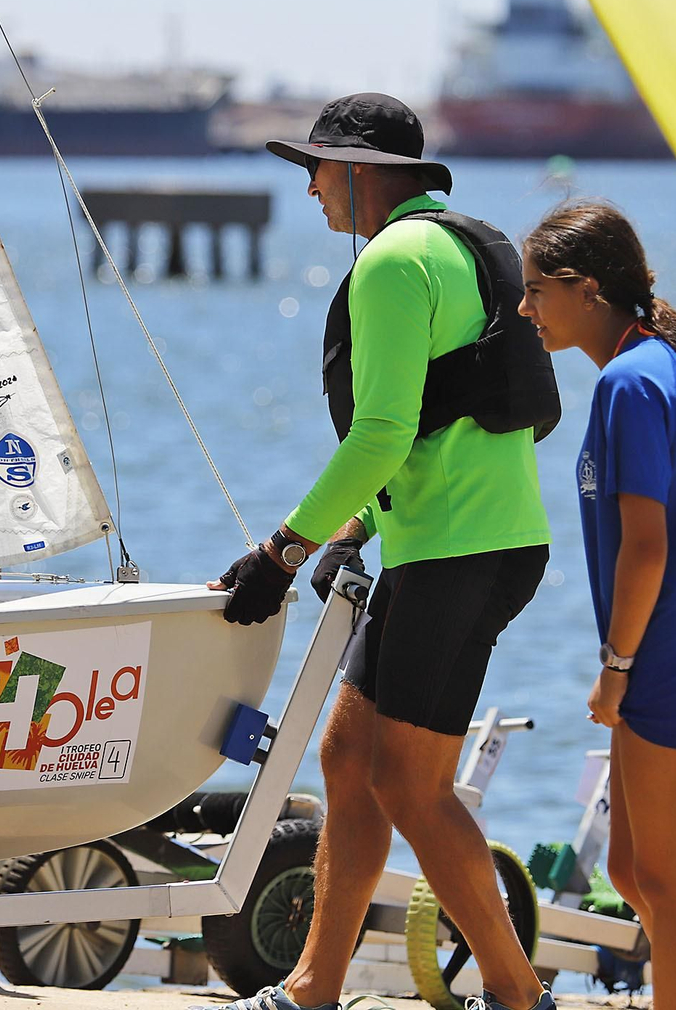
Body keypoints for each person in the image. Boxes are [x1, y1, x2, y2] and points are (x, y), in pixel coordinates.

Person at [205, 94, 555, 1010]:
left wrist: (283, 550)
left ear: (361, 169)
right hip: (458, 540)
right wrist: (362, 524)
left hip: (460, 554)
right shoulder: (463, 245)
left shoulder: (393, 261)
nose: (311, 185)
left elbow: (383, 431)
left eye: (316, 166)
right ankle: (314, 985)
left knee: (410, 781)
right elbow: (454, 413)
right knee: (349, 756)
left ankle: (521, 996)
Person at [519, 202, 676, 1010]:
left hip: (673, 644)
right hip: (666, 639)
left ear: (583, 289)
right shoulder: (641, 367)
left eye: (536, 289)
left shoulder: (630, 380)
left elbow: (647, 547)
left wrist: (615, 669)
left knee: (670, 880)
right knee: (628, 869)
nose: (525, 308)